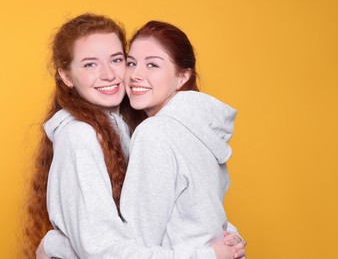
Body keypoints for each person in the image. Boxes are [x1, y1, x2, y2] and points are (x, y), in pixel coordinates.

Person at [25, 13, 245, 259]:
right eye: (90, 64)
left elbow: (126, 242)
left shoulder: (148, 130)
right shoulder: (80, 136)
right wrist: (222, 244)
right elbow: (101, 248)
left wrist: (54, 244)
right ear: (66, 76)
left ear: (183, 75)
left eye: (117, 60)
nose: (109, 74)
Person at [120, 20, 244, 259]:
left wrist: (58, 244)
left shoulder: (154, 133)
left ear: (182, 76)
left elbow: (135, 246)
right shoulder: (201, 130)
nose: (135, 74)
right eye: (131, 63)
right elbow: (203, 218)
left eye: (153, 65)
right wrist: (230, 236)